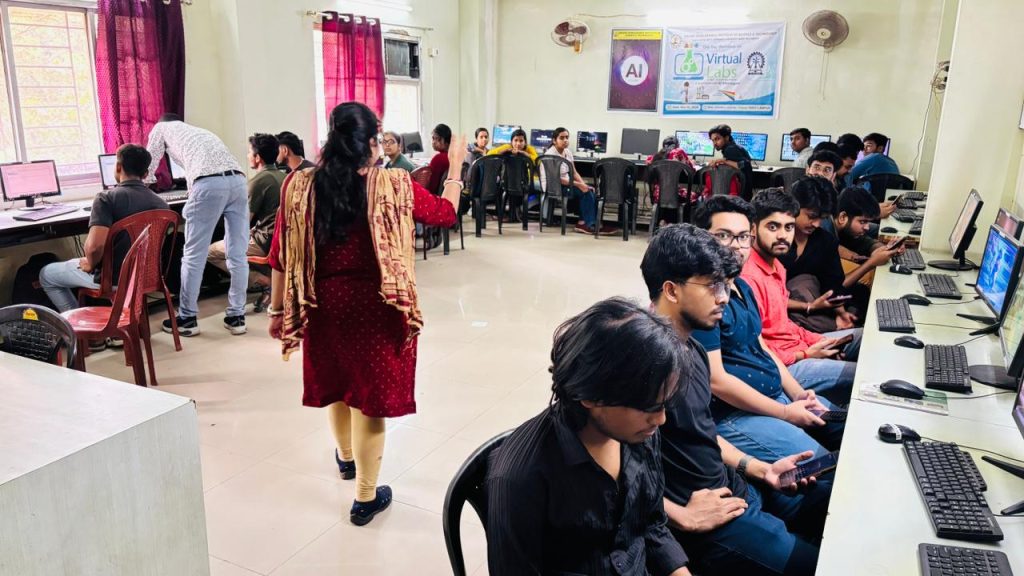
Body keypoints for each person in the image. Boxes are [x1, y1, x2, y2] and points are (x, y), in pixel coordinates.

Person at [266, 102, 460, 526]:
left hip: (322, 304)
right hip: (377, 306)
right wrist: (457, 170)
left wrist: (278, 311)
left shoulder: (300, 186)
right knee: (369, 400)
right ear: (371, 142)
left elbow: (279, 253)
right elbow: (445, 215)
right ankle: (365, 498)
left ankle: (346, 458)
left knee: (338, 384)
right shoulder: (393, 184)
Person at [641, 224, 833, 576]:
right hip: (708, 518)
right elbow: (608, 473)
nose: (724, 298)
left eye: (725, 286)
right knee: (823, 565)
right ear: (671, 290)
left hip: (736, 487)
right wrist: (680, 516)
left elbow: (703, 433)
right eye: (712, 286)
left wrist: (760, 468)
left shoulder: (693, 347)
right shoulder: (643, 363)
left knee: (832, 498)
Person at [486, 297, 691, 576]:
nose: (661, 419)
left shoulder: (640, 433)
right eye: (649, 407)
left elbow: (651, 525)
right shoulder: (521, 476)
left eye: (664, 404)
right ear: (591, 396)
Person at [691, 196, 844, 464]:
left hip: (775, 395)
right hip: (735, 413)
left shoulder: (741, 286)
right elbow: (717, 381)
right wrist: (784, 412)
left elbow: (762, 347)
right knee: (824, 468)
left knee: (846, 428)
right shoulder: (703, 299)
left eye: (742, 237)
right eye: (723, 236)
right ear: (702, 239)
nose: (735, 246)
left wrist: (797, 393)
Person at [741, 189, 860, 402]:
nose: (782, 235)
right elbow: (756, 350)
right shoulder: (748, 278)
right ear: (753, 229)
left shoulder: (777, 266)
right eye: (773, 227)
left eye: (788, 227)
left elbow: (784, 325)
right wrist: (806, 354)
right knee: (865, 376)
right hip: (785, 367)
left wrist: (819, 341)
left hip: (799, 348)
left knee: (864, 338)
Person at [145, 113, 248, 337]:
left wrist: (139, 188)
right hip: (239, 181)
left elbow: (148, 165)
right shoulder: (199, 132)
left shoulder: (161, 128)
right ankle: (237, 316)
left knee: (193, 255)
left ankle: (187, 319)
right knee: (238, 254)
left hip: (208, 184)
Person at [40, 144, 168, 317]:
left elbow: (94, 248)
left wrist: (90, 264)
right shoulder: (162, 204)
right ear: (145, 174)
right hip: (147, 276)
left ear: (118, 167)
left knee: (47, 275)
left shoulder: (106, 199)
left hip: (114, 279)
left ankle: (80, 326)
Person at [208, 133, 285, 295]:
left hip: (264, 243)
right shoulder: (285, 177)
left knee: (211, 252)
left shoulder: (258, 182)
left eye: (249, 152)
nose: (248, 155)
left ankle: (262, 280)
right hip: (282, 241)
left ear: (257, 158)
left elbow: (242, 222)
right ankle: (273, 278)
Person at [779, 177, 857, 334]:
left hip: (813, 305)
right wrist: (808, 306)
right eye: (811, 216)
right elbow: (764, 292)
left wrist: (840, 312)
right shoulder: (776, 239)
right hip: (776, 305)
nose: (817, 224)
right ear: (794, 207)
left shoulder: (825, 241)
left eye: (822, 218)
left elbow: (833, 282)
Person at [541, 127, 615, 235]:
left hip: (565, 183)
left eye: (567, 137)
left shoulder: (567, 152)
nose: (565, 140)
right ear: (554, 140)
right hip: (553, 186)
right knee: (585, 191)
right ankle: (589, 225)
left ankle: (588, 222)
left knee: (590, 190)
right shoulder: (550, 155)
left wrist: (583, 184)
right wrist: (579, 185)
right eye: (561, 138)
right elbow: (556, 179)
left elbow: (574, 172)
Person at [647, 135, 697, 207]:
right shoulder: (679, 152)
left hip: (658, 196)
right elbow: (691, 171)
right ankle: (684, 213)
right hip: (675, 195)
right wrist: (692, 163)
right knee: (695, 195)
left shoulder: (655, 156)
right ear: (677, 145)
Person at [707, 124, 753, 199]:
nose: (714, 143)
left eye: (717, 139)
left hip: (741, 196)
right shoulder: (734, 147)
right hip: (744, 194)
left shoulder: (730, 149)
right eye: (713, 140)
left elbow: (745, 165)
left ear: (726, 137)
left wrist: (724, 161)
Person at [427, 123, 452, 193]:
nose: (434, 142)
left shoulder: (438, 159)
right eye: (433, 138)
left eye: (438, 139)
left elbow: (431, 187)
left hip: (435, 196)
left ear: (446, 141)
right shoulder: (453, 156)